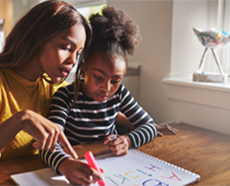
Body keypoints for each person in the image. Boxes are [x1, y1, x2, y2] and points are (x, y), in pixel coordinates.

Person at [0, 0, 92, 184]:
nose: (73, 61)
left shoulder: (54, 88)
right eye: (66, 48)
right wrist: (19, 121)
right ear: (38, 38)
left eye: (78, 53)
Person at [39, 6, 177, 186]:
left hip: (113, 169)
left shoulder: (119, 94)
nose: (106, 88)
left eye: (116, 80)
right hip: (77, 168)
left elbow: (150, 126)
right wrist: (65, 164)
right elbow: (48, 144)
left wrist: (127, 140)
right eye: (98, 77)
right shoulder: (65, 97)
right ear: (84, 68)